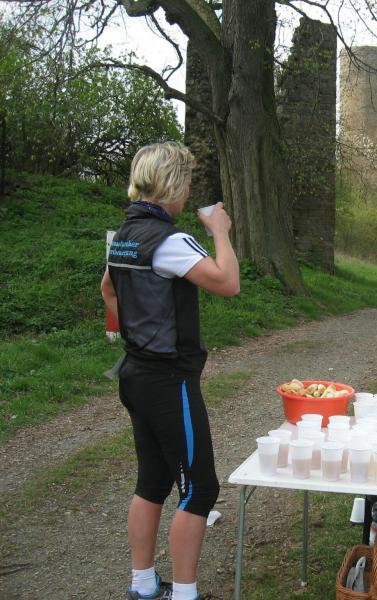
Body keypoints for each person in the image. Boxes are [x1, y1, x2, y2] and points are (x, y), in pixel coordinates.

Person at [101, 141, 240, 600]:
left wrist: (136, 331)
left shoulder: (125, 235)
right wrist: (219, 230)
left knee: (153, 481)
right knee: (200, 489)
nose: (188, 193)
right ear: (174, 185)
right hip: (168, 379)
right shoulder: (171, 241)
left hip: (135, 373)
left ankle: (143, 586)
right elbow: (228, 283)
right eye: (187, 184)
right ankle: (184, 594)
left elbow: (108, 291)